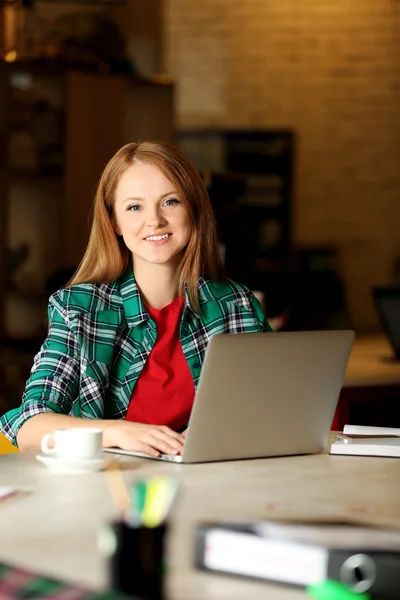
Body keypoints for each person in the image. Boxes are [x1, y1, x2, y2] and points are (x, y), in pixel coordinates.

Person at [0, 141, 271, 456]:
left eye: (170, 202)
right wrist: (120, 432)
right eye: (134, 207)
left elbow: (272, 408)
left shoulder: (234, 304)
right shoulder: (79, 309)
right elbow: (31, 425)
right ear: (114, 221)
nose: (154, 220)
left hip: (214, 486)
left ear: (194, 209)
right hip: (106, 490)